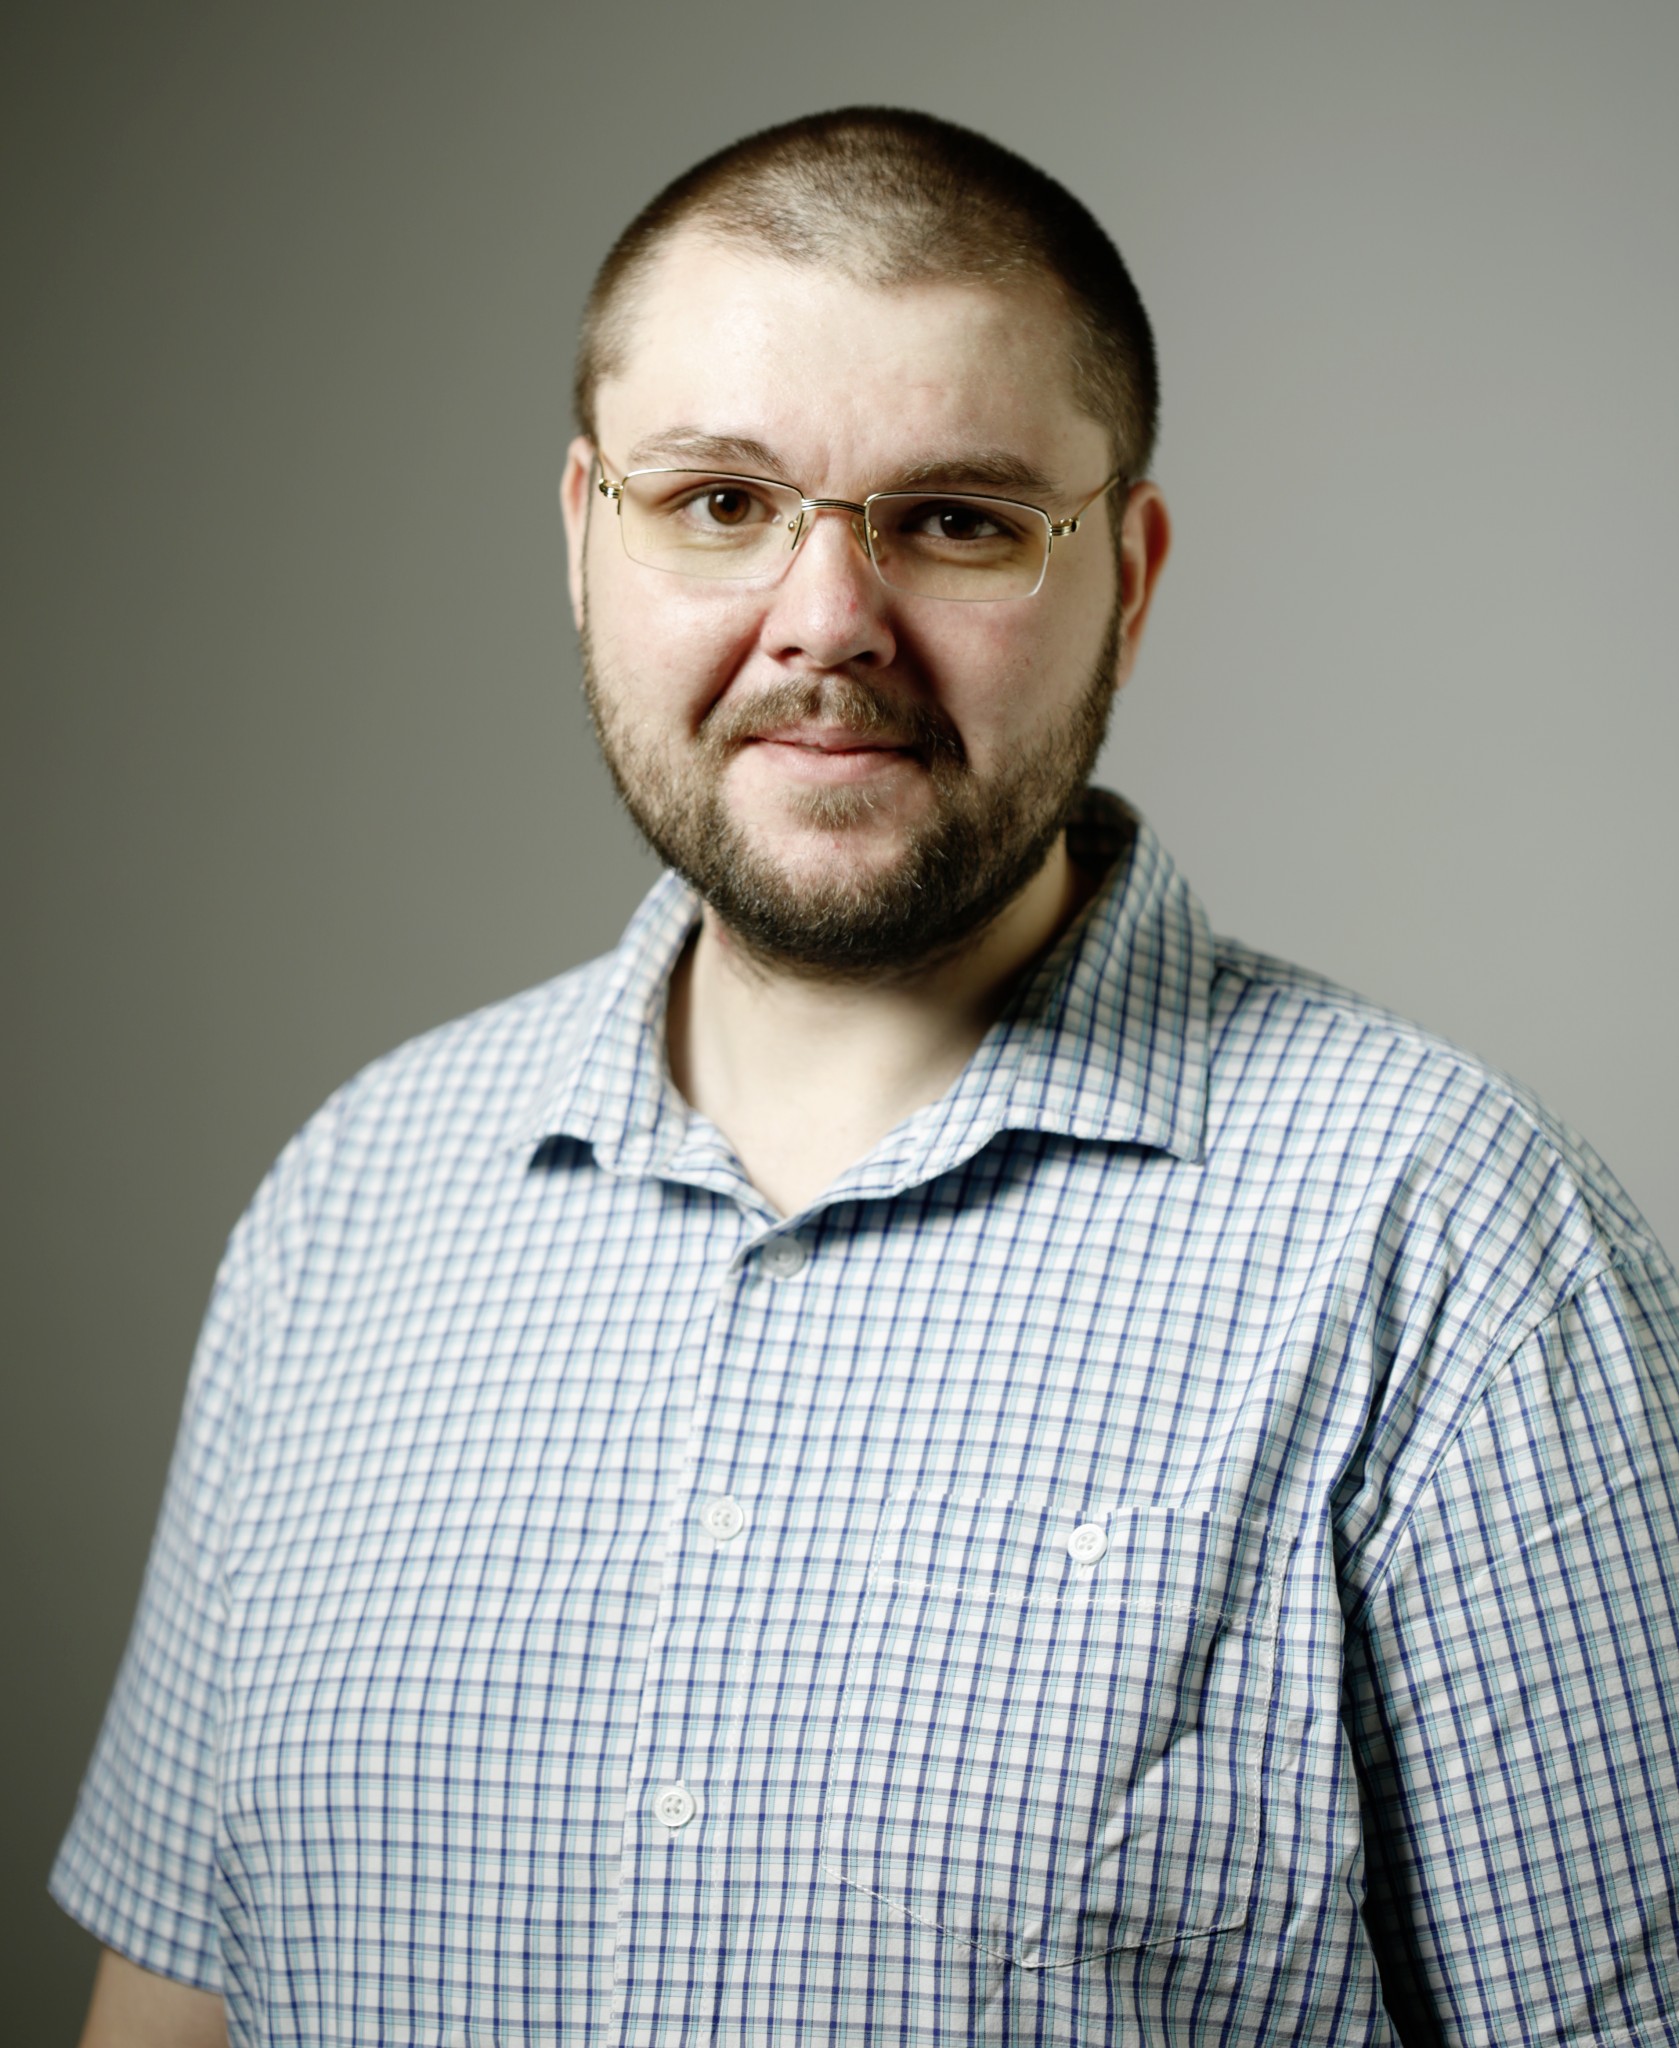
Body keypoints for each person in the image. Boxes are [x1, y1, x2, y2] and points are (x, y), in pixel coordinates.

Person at [55, 106, 1679, 2048]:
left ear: (1130, 577)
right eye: (719, 501)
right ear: (585, 536)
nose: (827, 623)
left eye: (961, 519)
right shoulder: (353, 1204)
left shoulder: (1454, 1254)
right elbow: (171, 2004)